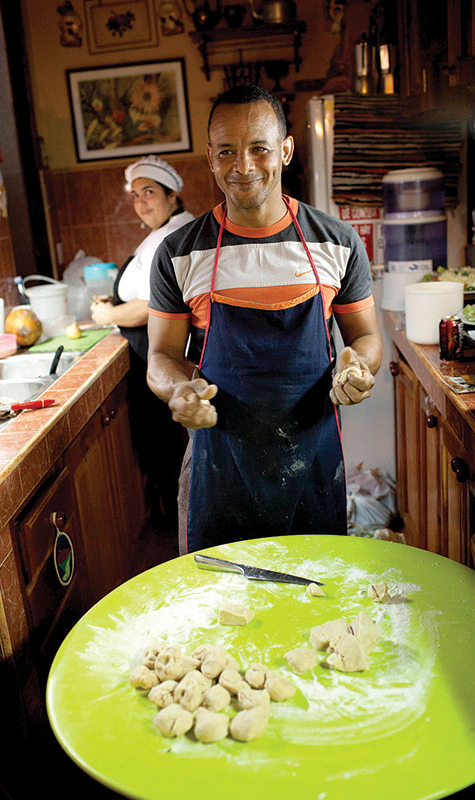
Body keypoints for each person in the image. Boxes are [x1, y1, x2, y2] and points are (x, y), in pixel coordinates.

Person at [146, 85, 382, 554]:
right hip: (219, 470)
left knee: (317, 600)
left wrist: (359, 366)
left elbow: (367, 337)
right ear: (210, 158)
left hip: (313, 464)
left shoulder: (335, 242)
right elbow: (162, 356)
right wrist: (179, 389)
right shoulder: (179, 253)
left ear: (286, 151)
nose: (244, 165)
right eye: (228, 151)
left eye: (259, 148)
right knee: (222, 607)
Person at [91, 155, 194, 530]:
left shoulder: (173, 233)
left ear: (172, 195)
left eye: (149, 192)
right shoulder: (162, 232)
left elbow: (152, 305)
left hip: (159, 354)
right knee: (159, 445)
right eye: (135, 195)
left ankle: (173, 532)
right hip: (144, 353)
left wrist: (107, 316)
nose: (141, 201)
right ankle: (170, 521)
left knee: (166, 445)